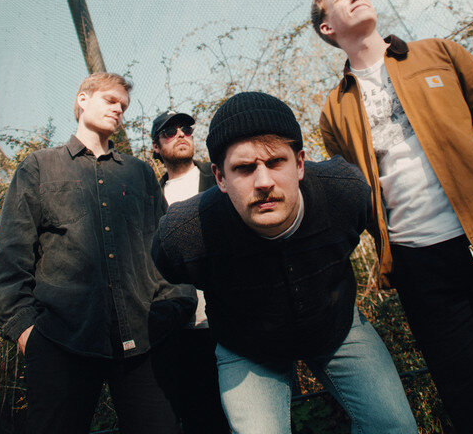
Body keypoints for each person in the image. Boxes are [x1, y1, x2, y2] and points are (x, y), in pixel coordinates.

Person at [310, 0, 473, 434]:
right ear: (327, 27)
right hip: (421, 268)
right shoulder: (333, 110)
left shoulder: (440, 53)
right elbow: (357, 193)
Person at [152, 91, 418, 434]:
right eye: (244, 168)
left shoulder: (343, 192)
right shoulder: (186, 232)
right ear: (219, 177)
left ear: (300, 163)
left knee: (394, 426)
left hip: (334, 324)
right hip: (247, 346)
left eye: (276, 162)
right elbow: (168, 266)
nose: (264, 182)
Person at [0, 73, 196, 434]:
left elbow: (165, 252)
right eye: (110, 100)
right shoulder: (39, 167)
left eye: (123, 106)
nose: (119, 109)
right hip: (60, 343)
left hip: (143, 343)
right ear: (83, 99)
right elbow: (9, 261)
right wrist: (27, 334)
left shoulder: (139, 174)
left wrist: (173, 308)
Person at [151, 109, 230, 434]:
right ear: (156, 147)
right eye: (170, 131)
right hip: (183, 334)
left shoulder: (221, 179)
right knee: (204, 422)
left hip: (235, 322)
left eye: (186, 128)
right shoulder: (150, 198)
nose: (181, 134)